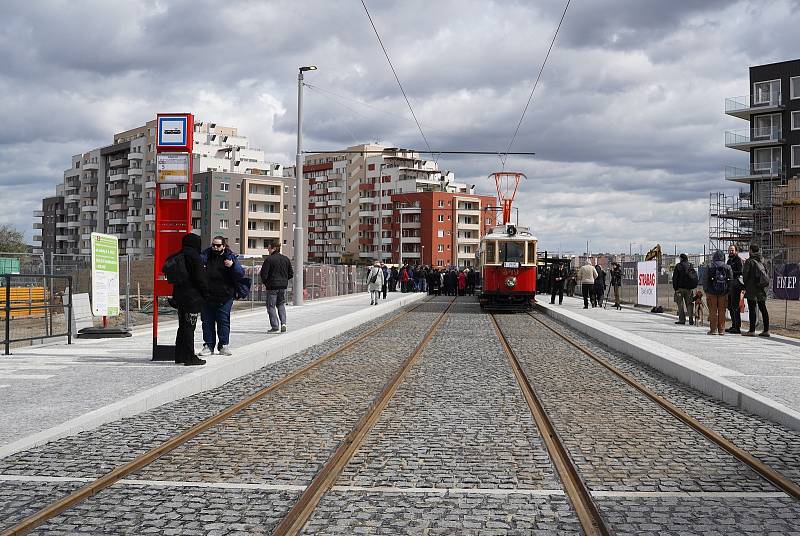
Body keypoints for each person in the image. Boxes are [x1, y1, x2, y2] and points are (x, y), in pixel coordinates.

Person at [199, 236, 244, 356]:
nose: (215, 247)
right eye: (213, 245)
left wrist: (232, 265)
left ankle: (223, 345)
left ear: (223, 246)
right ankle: (208, 345)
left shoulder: (230, 257)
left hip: (225, 296)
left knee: (223, 321)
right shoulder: (205, 256)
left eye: (218, 245)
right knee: (207, 322)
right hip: (207, 296)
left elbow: (240, 273)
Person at [171, 233, 209, 366]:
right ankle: (189, 357)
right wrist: (206, 294)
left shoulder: (178, 255)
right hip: (192, 298)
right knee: (189, 328)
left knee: (182, 327)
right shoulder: (194, 257)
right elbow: (200, 279)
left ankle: (179, 355)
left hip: (179, 297)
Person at [259, 243, 293, 333]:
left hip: (272, 286)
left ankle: (275, 326)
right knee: (281, 304)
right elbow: (291, 273)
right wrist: (284, 280)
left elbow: (263, 274)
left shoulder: (269, 259)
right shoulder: (286, 259)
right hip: (283, 286)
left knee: (271, 306)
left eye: (269, 248)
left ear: (274, 248)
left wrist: (266, 283)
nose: (268, 250)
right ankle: (284, 324)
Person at [742, 244, 770, 337]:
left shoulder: (749, 261)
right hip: (761, 288)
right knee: (763, 308)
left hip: (751, 288)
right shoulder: (762, 260)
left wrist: (746, 285)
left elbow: (745, 275)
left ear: (750, 250)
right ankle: (766, 330)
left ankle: (752, 330)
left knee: (752, 309)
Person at [703, 250, 733, 335]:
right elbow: (731, 280)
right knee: (722, 311)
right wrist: (728, 290)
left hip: (711, 292)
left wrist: (706, 290)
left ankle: (713, 330)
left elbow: (705, 279)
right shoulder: (728, 267)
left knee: (712, 311)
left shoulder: (709, 266)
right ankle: (721, 330)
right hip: (723, 292)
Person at [672, 253, 697, 325]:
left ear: (681, 258)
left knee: (680, 304)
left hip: (680, 288)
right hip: (689, 289)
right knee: (689, 304)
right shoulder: (690, 265)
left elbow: (675, 278)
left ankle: (682, 320)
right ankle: (691, 319)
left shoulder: (678, 266)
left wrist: (675, 288)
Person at [725, 244, 744, 334]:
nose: (731, 252)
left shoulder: (738, 260)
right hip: (729, 286)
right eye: (729, 250)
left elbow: (741, 272)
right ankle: (733, 325)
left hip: (736, 286)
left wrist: (731, 272)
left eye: (732, 250)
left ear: (736, 251)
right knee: (730, 306)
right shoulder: (728, 261)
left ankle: (737, 327)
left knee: (735, 306)